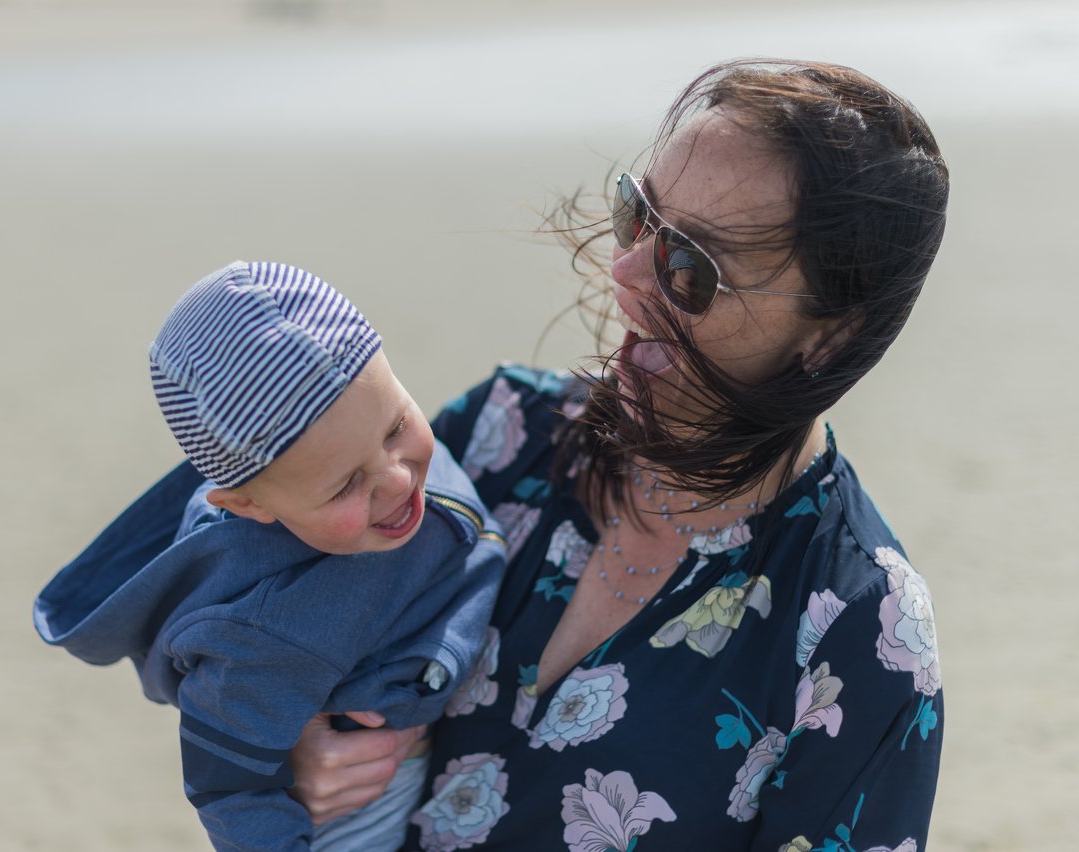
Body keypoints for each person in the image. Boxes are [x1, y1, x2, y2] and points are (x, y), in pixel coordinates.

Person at [289, 59, 948, 850]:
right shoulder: (498, 438)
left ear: (829, 335)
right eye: (638, 216)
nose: (627, 273)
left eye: (689, 268)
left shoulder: (860, 631)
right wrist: (294, 747)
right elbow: (256, 619)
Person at [33, 261, 507, 852]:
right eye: (344, 487)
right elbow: (228, 790)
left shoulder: (356, 455)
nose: (395, 479)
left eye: (396, 426)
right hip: (361, 810)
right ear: (250, 505)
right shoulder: (263, 629)